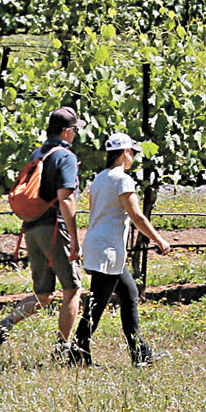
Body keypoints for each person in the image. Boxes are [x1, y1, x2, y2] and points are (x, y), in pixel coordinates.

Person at [0, 106, 85, 368]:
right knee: (72, 289)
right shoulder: (65, 156)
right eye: (75, 130)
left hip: (32, 228)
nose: (75, 134)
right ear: (67, 131)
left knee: (44, 294)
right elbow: (66, 199)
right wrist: (74, 238)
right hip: (54, 228)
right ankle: (63, 350)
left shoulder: (38, 153)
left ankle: (0, 329)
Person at [75, 131, 174, 366]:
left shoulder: (99, 179)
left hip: (99, 246)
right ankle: (78, 351)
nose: (133, 159)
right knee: (98, 304)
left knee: (129, 294)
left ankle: (140, 353)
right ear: (126, 153)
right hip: (108, 250)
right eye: (132, 154)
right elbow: (137, 216)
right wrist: (159, 240)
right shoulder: (123, 180)